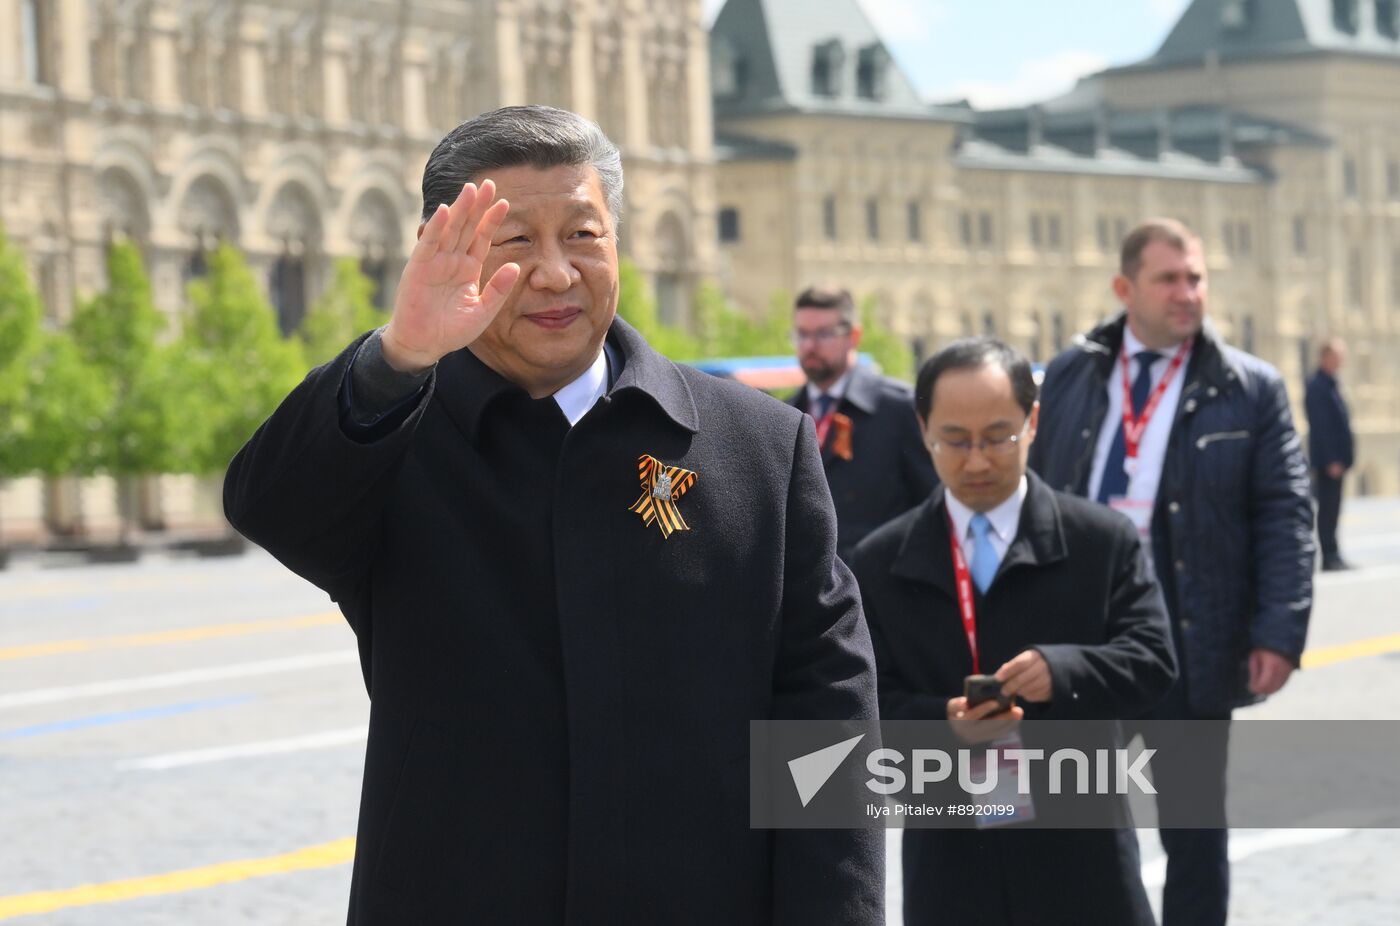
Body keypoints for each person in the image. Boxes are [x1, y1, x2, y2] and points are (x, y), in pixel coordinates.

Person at [224, 106, 882, 924]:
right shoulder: (394, 434)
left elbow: (824, 714)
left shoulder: (759, 445)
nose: (555, 273)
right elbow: (270, 507)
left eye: (582, 235)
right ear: (447, 252)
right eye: (513, 242)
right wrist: (396, 356)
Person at [1028, 218, 1314, 926]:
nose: (1188, 293)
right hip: (1081, 640)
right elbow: (1030, 492)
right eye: (1169, 279)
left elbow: (1286, 513)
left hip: (1188, 638)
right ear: (1126, 288)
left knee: (1192, 833)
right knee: (1077, 821)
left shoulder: (1249, 387)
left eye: (1196, 277)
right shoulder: (1071, 372)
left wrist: (1279, 631)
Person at [851, 337, 1176, 926]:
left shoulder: (1101, 541)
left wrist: (1064, 670)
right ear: (923, 428)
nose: (977, 461)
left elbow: (1153, 661)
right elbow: (861, 709)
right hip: (952, 857)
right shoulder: (879, 562)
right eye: (955, 439)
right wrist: (939, 724)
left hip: (1082, 852)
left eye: (998, 436)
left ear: (1033, 423)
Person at [787, 286, 935, 562]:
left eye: (823, 334)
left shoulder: (898, 408)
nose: (809, 346)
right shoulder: (787, 414)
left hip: (882, 586)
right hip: (815, 589)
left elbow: (932, 504)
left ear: (853, 337)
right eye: (802, 335)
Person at [1305, 338, 1356, 570]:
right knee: (1327, 509)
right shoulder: (1318, 386)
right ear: (1325, 357)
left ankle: (1333, 552)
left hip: (1337, 460)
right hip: (1328, 462)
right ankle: (1329, 555)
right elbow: (1322, 427)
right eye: (1336, 356)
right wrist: (1331, 459)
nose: (1340, 361)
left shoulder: (1330, 384)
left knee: (1334, 508)